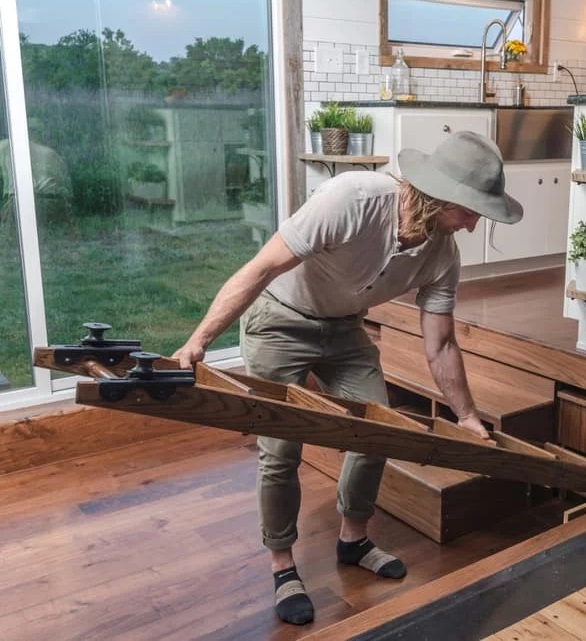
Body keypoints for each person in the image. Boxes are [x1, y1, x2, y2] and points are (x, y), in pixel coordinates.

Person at [173, 130, 523, 626]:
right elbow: (259, 270)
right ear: (440, 197)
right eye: (469, 211)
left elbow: (441, 343)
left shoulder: (442, 254)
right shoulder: (351, 199)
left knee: (378, 430)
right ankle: (282, 566)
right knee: (281, 448)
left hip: (344, 331)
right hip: (281, 319)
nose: (471, 225)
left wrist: (466, 416)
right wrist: (198, 341)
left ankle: (353, 540)